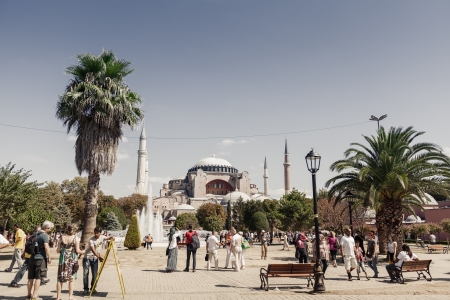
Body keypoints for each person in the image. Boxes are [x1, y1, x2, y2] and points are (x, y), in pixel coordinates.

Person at [56, 224, 85, 300]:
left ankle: (58, 297)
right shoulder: (76, 238)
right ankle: (70, 297)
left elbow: (58, 250)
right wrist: (84, 251)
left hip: (63, 260)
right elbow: (78, 251)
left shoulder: (61, 238)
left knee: (60, 279)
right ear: (74, 230)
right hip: (72, 260)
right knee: (71, 279)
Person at [83, 227, 114, 295]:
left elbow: (108, 238)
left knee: (95, 274)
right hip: (87, 258)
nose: (96, 234)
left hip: (95, 259)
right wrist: (99, 257)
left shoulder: (102, 237)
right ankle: (85, 289)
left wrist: (112, 237)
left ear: (100, 233)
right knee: (86, 274)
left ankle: (93, 288)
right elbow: (93, 250)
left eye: (97, 233)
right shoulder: (91, 240)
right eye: (95, 232)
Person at [27, 220, 54, 300]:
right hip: (40, 258)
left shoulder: (34, 234)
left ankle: (29, 294)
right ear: (46, 228)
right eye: (50, 229)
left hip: (32, 257)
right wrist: (49, 257)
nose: (50, 230)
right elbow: (46, 247)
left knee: (30, 278)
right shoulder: (44, 235)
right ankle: (35, 295)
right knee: (38, 277)